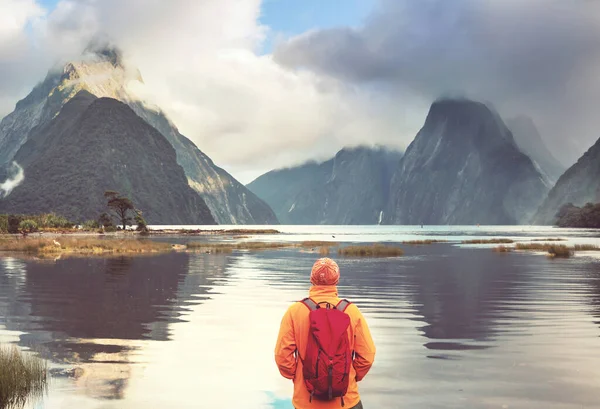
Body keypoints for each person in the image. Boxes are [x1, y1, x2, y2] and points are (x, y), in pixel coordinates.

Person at [274, 257, 376, 409]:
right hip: (346, 401)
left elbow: (282, 357)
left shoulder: (295, 312)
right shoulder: (351, 311)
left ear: (311, 279)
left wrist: (299, 377)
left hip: (306, 402)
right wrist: (347, 377)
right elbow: (367, 355)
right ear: (337, 280)